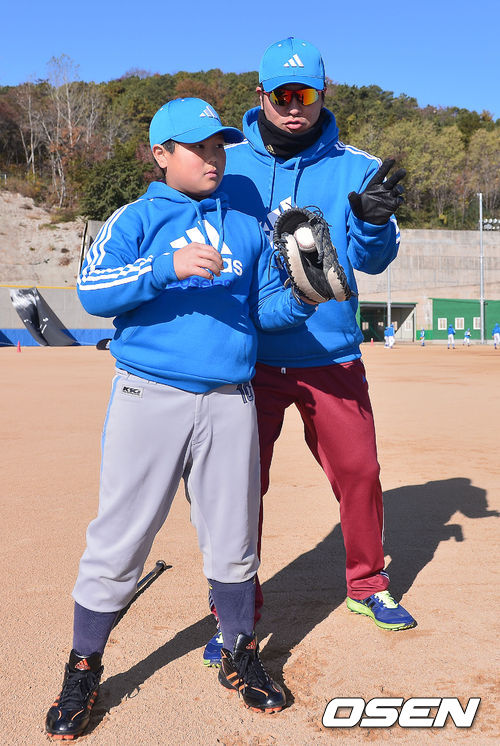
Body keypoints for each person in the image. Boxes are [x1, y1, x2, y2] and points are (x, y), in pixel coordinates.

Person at [44, 97, 323, 738]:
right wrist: (164, 267)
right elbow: (92, 292)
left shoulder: (246, 224)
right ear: (162, 154)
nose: (213, 157)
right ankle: (83, 666)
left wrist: (306, 297)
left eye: (219, 145)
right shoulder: (138, 217)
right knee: (121, 535)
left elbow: (264, 311)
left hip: (230, 398)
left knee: (234, 535)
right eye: (198, 148)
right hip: (150, 394)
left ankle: (239, 653)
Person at [202, 36, 415, 668]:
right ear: (261, 94)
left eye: (306, 94)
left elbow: (373, 261)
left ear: (323, 94)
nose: (295, 106)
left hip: (331, 353)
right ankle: (235, 610)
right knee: (241, 487)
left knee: (360, 473)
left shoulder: (357, 166)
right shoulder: (226, 164)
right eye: (283, 94)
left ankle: (368, 584)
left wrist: (372, 222)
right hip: (250, 356)